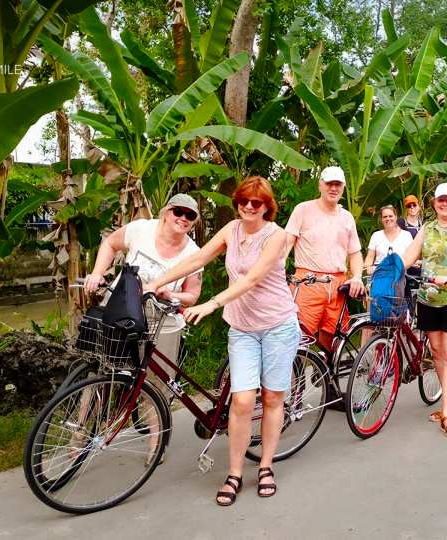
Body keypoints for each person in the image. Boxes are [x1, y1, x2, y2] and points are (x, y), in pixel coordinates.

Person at [147, 177, 299, 507]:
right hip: (242, 328)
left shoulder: (276, 236)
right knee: (242, 401)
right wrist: (157, 280)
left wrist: (212, 303)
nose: (248, 206)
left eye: (255, 203)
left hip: (277, 326)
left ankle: (266, 466)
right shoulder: (231, 230)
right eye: (243, 200)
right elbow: (199, 258)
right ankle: (234, 472)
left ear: (266, 207)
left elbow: (253, 278)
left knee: (272, 398)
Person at [84, 193, 203, 397]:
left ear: (193, 223)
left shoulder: (194, 253)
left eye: (190, 216)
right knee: (100, 372)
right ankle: (81, 425)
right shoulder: (142, 229)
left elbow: (192, 296)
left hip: (161, 320)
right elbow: (110, 243)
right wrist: (97, 273)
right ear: (166, 212)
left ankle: (157, 426)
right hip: (122, 309)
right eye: (178, 211)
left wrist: (170, 293)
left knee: (156, 387)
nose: (183, 218)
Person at [401, 182, 447, 439]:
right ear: (434, 203)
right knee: (436, 352)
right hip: (428, 298)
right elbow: (410, 255)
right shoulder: (427, 228)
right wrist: (389, 268)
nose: (445, 204)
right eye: (440, 200)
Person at [285, 166, 365, 355]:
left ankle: (328, 376)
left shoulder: (347, 218)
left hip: (337, 286)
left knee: (331, 342)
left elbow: (354, 253)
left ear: (343, 187)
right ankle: (292, 383)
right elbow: (285, 245)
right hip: (306, 284)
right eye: (329, 183)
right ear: (320, 185)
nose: (333, 188)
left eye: (337, 184)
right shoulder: (303, 210)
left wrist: (357, 277)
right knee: (296, 340)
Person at [364, 205, 413, 274]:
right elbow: (369, 257)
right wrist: (368, 266)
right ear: (381, 219)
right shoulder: (376, 235)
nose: (388, 219)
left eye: (390, 216)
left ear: (396, 217)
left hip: (399, 275)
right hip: (379, 274)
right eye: (385, 217)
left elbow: (411, 257)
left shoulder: (406, 235)